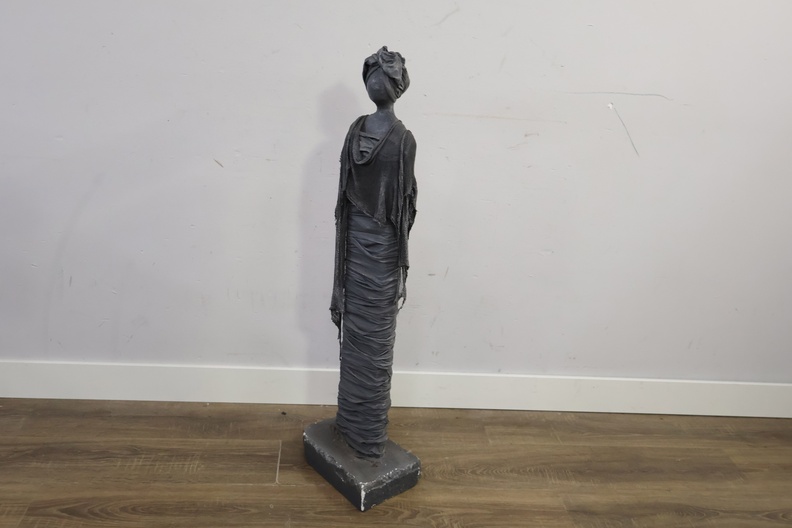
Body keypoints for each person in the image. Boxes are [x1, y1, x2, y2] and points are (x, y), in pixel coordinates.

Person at [330, 46, 417, 458]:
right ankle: (350, 427)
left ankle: (367, 437)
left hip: (381, 253)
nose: (375, 80)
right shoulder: (355, 130)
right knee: (356, 340)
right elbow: (343, 200)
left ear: (396, 86)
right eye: (371, 74)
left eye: (382, 75)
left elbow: (404, 208)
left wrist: (399, 266)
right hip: (354, 249)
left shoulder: (404, 140)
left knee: (375, 339)